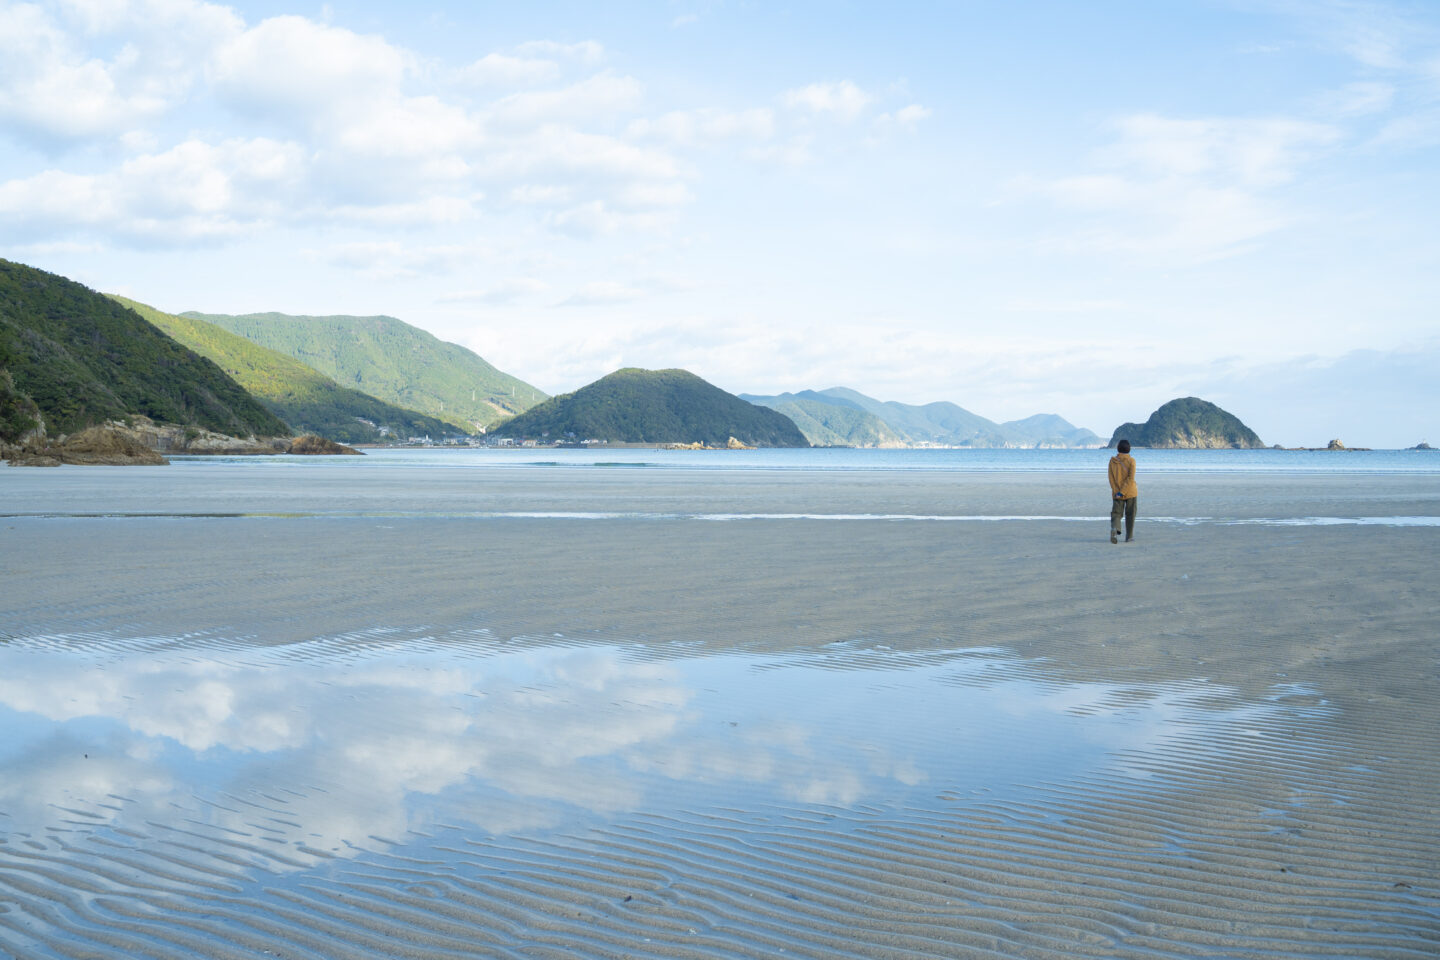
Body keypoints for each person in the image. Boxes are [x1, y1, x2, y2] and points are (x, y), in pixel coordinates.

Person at [1108, 439, 1138, 543]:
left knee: (1116, 513)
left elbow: (1111, 478)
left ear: (1118, 448)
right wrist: (1123, 492)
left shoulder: (1112, 461)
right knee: (1130, 514)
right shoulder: (1131, 461)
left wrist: (1117, 492)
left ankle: (1115, 529)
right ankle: (1129, 537)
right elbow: (1131, 478)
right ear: (1129, 449)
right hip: (1130, 492)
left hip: (1116, 493)